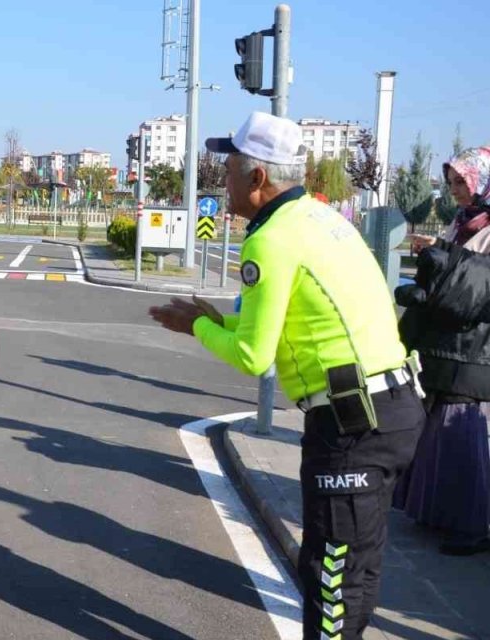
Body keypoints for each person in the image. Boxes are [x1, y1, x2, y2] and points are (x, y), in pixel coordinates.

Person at [148, 111, 423, 640]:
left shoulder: (270, 239)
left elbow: (253, 355)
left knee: (330, 580)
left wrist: (195, 328)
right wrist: (216, 320)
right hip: (390, 409)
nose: (221, 182)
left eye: (228, 170)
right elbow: (284, 322)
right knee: (356, 570)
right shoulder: (321, 220)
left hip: (351, 427)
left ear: (258, 179)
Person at [394, 146, 490, 556]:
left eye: (462, 182)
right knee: (437, 429)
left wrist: (441, 266)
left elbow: (476, 286)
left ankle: (473, 523)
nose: (455, 190)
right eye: (452, 182)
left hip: (475, 345)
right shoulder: (460, 222)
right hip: (446, 341)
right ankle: (438, 512)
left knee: (461, 432)